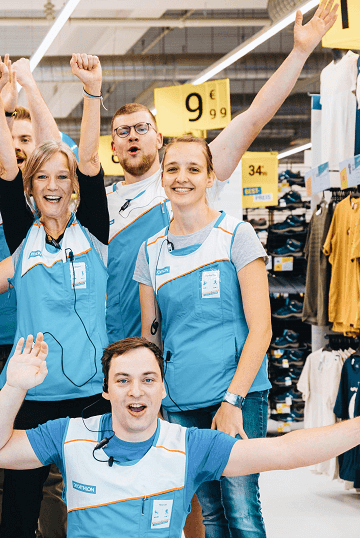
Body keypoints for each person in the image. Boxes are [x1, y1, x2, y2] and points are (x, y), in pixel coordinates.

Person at [0, 335, 360, 537]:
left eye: (148, 379)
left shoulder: (190, 445)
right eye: (122, 381)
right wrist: (15, 387)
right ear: (106, 391)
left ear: (163, 389)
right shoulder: (70, 434)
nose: (136, 391)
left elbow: (283, 451)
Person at [94, 0, 340, 349]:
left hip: (187, 347)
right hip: (121, 349)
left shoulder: (186, 183)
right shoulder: (98, 206)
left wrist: (300, 52)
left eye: (142, 127)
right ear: (113, 147)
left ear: (159, 138)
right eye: (123, 131)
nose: (132, 136)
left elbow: (253, 118)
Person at [0, 54, 109, 538]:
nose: (52, 185)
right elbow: (5, 168)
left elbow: (90, 160)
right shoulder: (23, 238)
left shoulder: (93, 232)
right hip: (31, 396)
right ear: (31, 190)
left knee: (94, 507)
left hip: (91, 397)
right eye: (42, 178)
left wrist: (91, 92)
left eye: (61, 177)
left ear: (74, 188)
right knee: (19, 515)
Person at [135, 135, 272, 537]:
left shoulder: (236, 235)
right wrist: (154, 401)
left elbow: (262, 329)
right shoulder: (151, 251)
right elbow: (151, 339)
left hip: (237, 396)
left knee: (242, 510)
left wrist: (233, 401)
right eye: (173, 169)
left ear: (210, 177)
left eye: (194, 169)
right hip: (181, 403)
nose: (182, 177)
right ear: (162, 177)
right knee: (210, 514)